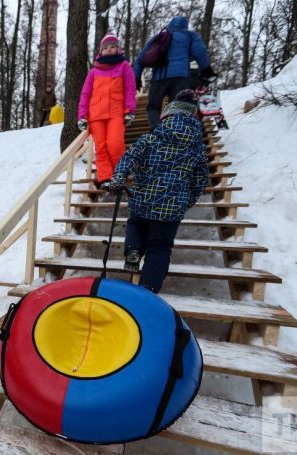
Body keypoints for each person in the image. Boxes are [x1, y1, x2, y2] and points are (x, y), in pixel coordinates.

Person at [108, 90, 208, 293]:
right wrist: (188, 200)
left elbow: (129, 157)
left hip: (142, 199)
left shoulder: (150, 138)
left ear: (166, 116)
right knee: (160, 248)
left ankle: (133, 250)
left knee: (135, 224)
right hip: (171, 209)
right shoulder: (197, 148)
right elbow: (200, 180)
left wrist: (119, 177)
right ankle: (149, 288)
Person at [134, 16, 216, 127]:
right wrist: (206, 70)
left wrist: (136, 77)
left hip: (158, 79)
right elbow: (200, 52)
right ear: (185, 26)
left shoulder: (158, 37)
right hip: (181, 78)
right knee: (178, 106)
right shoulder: (190, 35)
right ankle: (176, 133)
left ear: (169, 25)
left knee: (153, 107)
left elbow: (140, 58)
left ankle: (156, 130)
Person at [77, 33, 137, 187]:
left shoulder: (124, 66)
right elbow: (85, 94)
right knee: (101, 147)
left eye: (113, 47)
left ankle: (119, 174)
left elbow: (130, 89)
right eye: (106, 48)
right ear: (101, 51)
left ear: (118, 49)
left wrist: (130, 110)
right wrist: (82, 116)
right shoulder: (93, 72)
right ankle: (105, 178)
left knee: (115, 144)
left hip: (116, 113)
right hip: (96, 115)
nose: (109, 50)